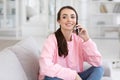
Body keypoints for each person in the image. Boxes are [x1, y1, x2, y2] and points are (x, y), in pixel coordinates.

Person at [39, 6, 104, 80]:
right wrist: (73, 75)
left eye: (72, 17)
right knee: (49, 78)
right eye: (64, 17)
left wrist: (87, 39)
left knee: (99, 69)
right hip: (58, 77)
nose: (69, 20)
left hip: (77, 76)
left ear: (76, 21)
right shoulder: (51, 39)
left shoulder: (79, 38)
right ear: (59, 21)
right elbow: (45, 66)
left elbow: (97, 62)